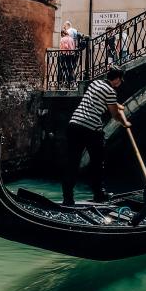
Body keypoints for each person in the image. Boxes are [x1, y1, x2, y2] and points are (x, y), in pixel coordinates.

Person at [62, 67, 131, 205]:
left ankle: (68, 198)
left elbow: (101, 99)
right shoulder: (111, 92)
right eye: (120, 80)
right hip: (91, 128)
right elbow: (114, 114)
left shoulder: (95, 84)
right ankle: (98, 195)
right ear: (116, 79)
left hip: (74, 124)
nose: (121, 82)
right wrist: (125, 123)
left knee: (72, 163)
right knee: (97, 163)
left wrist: (117, 105)